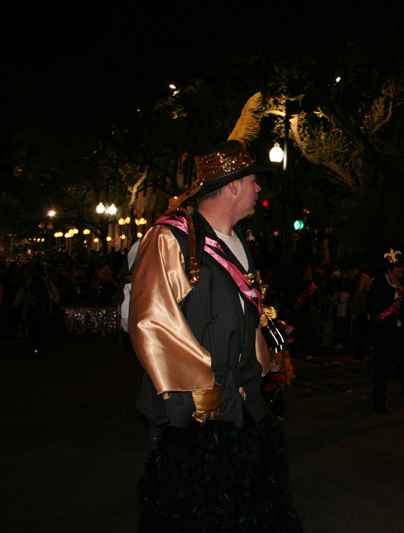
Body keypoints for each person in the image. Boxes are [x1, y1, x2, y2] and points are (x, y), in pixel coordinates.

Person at [128, 93, 302, 532]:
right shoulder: (172, 240)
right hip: (196, 414)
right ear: (231, 187)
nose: (259, 189)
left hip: (245, 409)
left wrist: (267, 356)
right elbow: (151, 321)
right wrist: (197, 390)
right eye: (252, 182)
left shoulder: (242, 246)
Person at [366, 248, 404, 415]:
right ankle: (378, 404)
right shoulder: (378, 285)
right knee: (382, 372)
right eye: (397, 271)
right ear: (389, 271)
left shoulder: (403, 286)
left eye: (401, 271)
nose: (399, 275)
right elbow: (374, 308)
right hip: (384, 335)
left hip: (399, 335)